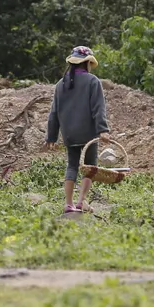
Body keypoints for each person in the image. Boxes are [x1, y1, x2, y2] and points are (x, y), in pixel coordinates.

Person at [44, 45, 111, 214]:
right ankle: (81, 202)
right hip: (88, 133)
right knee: (89, 167)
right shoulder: (92, 81)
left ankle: (68, 204)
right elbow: (98, 108)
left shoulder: (60, 84)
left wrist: (51, 136)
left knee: (72, 166)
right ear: (87, 63)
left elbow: (54, 112)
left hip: (69, 133)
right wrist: (103, 129)